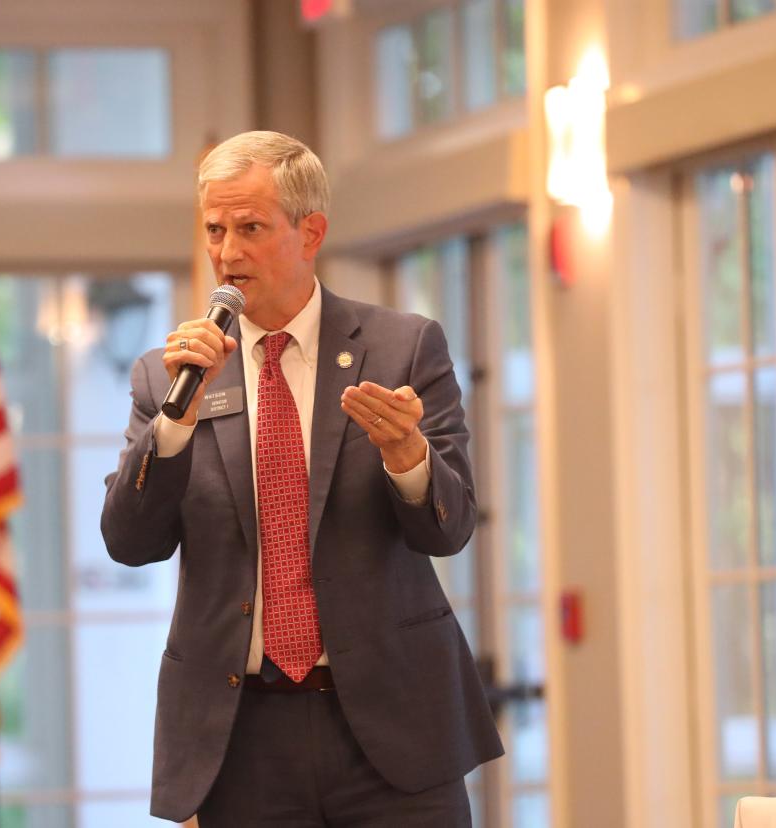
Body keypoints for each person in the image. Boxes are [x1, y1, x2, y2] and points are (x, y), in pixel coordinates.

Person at [101, 130, 502, 827]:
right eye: (215, 230)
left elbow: (451, 527)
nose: (227, 254)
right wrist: (173, 426)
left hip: (391, 730)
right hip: (240, 735)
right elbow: (131, 543)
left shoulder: (401, 349)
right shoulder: (167, 377)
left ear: (309, 232)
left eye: (250, 228)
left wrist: (408, 457)